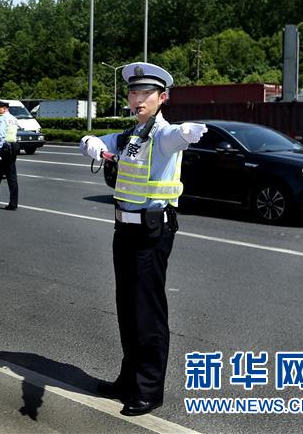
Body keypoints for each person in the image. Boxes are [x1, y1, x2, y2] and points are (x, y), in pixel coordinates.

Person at [79, 62, 207, 416]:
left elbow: (179, 135)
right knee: (127, 307)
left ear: (162, 98)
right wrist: (93, 145)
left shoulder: (163, 135)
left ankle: (149, 389)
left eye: (146, 94)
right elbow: (89, 142)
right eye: (134, 92)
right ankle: (129, 379)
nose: (137, 99)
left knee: (147, 311)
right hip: (125, 230)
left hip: (152, 232)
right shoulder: (130, 135)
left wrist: (189, 132)